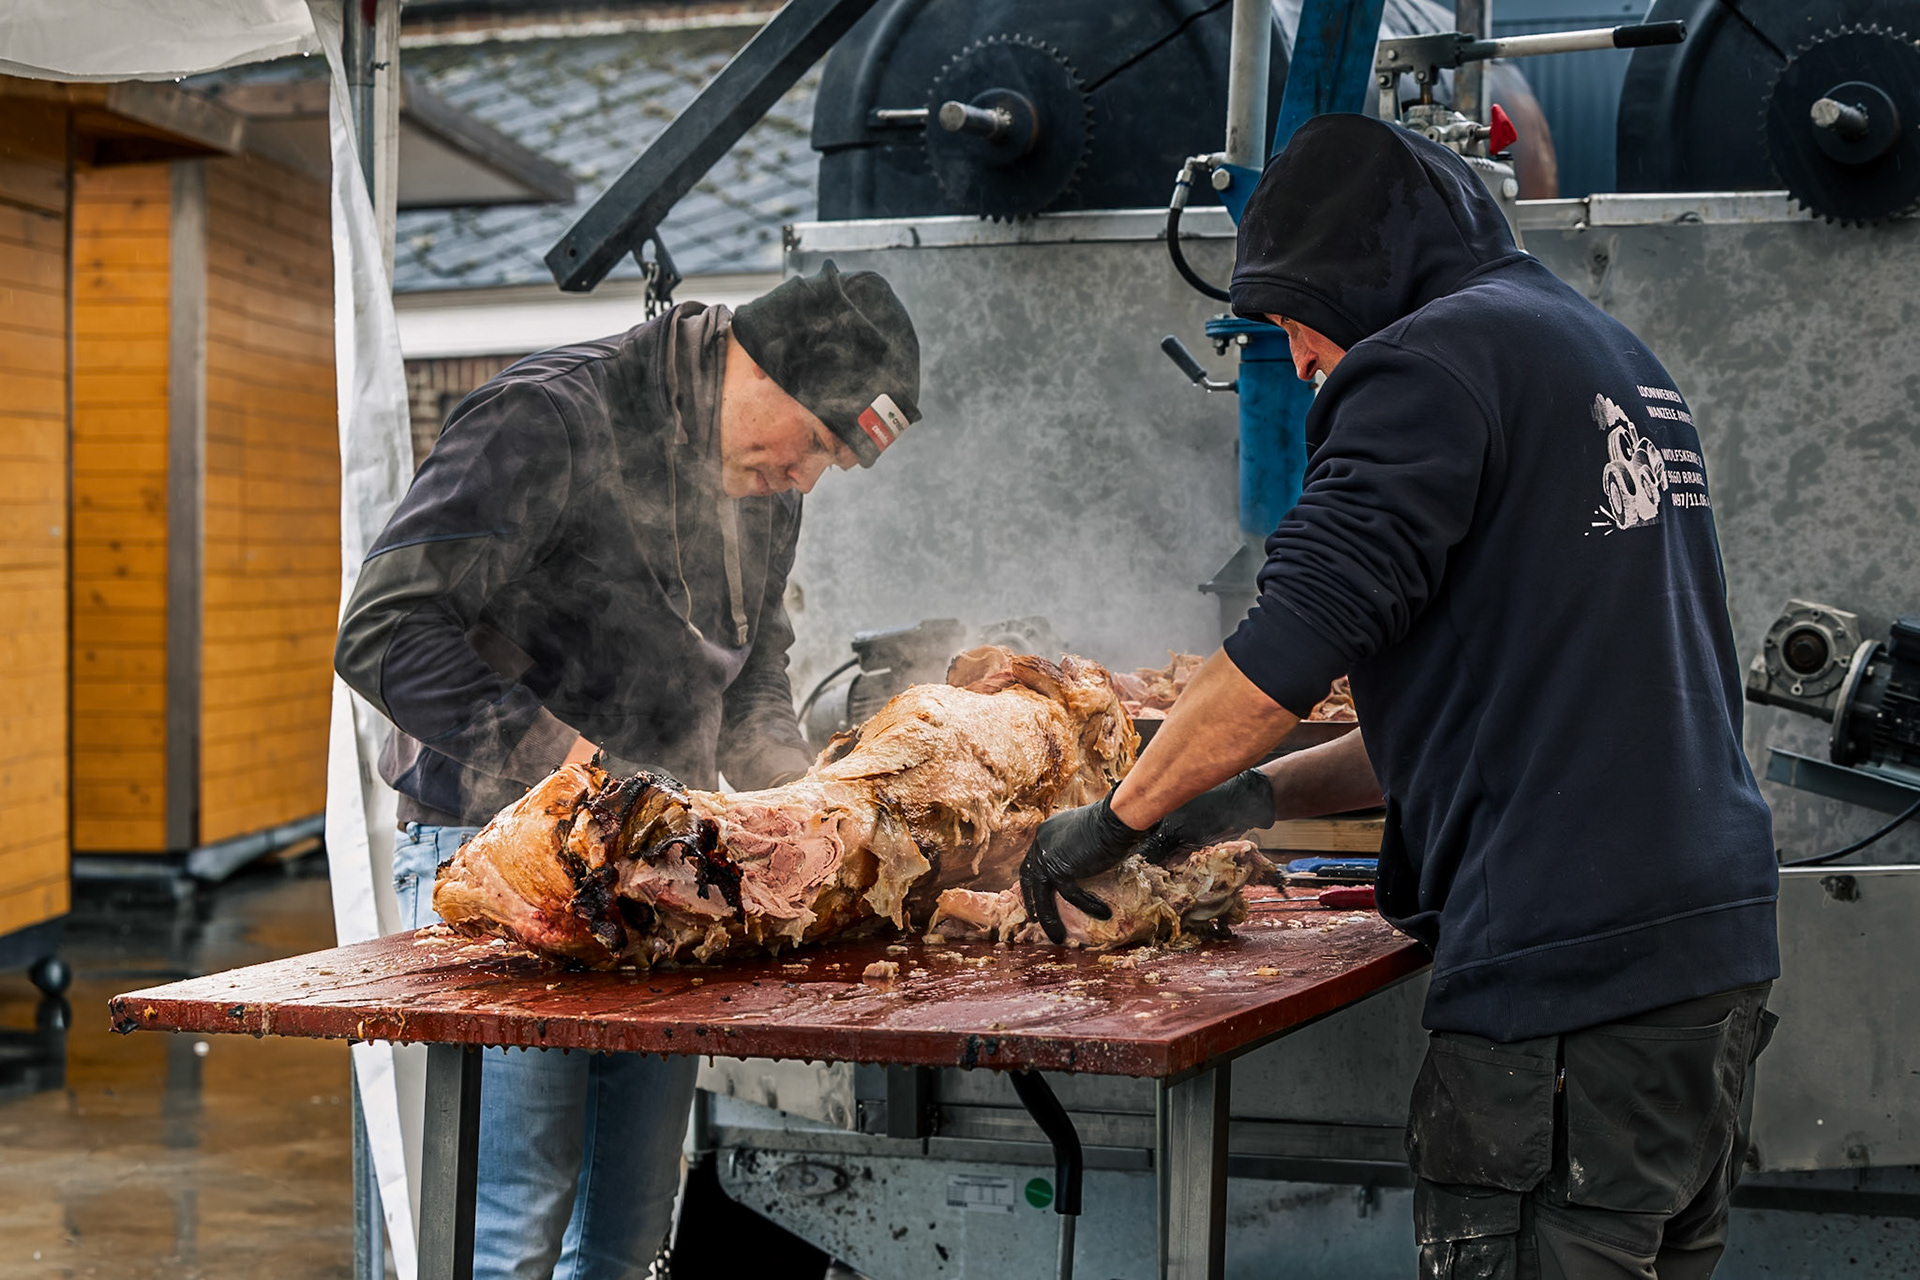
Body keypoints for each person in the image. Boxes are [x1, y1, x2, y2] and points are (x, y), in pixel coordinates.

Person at [1019, 114, 1779, 1280]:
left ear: (1354, 278)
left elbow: (1286, 648)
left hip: (1567, 980)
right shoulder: (1603, 352)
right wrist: (1253, 796)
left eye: (1291, 322)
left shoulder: (1424, 363)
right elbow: (1497, 695)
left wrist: (1110, 822)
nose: (1303, 359)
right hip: (1702, 965)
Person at [334, 262, 921, 1280]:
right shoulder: (547, 417)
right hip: (504, 859)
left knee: (627, 1234)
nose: (806, 478)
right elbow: (385, 630)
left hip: (663, 874)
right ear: (766, 370)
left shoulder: (759, 482)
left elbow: (754, 666)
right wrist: (577, 775)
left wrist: (792, 800)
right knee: (504, 1233)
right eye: (817, 444)